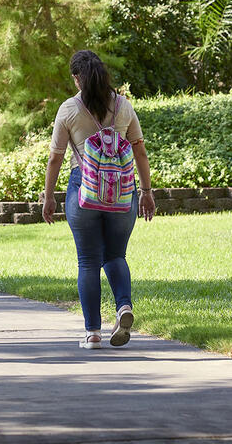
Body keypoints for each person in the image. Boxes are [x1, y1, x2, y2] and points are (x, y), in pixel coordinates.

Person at [43, 50, 155, 349]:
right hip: (122, 192)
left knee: (88, 261)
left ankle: (92, 333)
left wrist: (49, 197)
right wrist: (146, 192)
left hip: (84, 189)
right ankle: (123, 306)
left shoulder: (69, 109)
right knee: (115, 255)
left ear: (76, 78)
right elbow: (140, 151)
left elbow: (55, 158)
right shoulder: (123, 106)